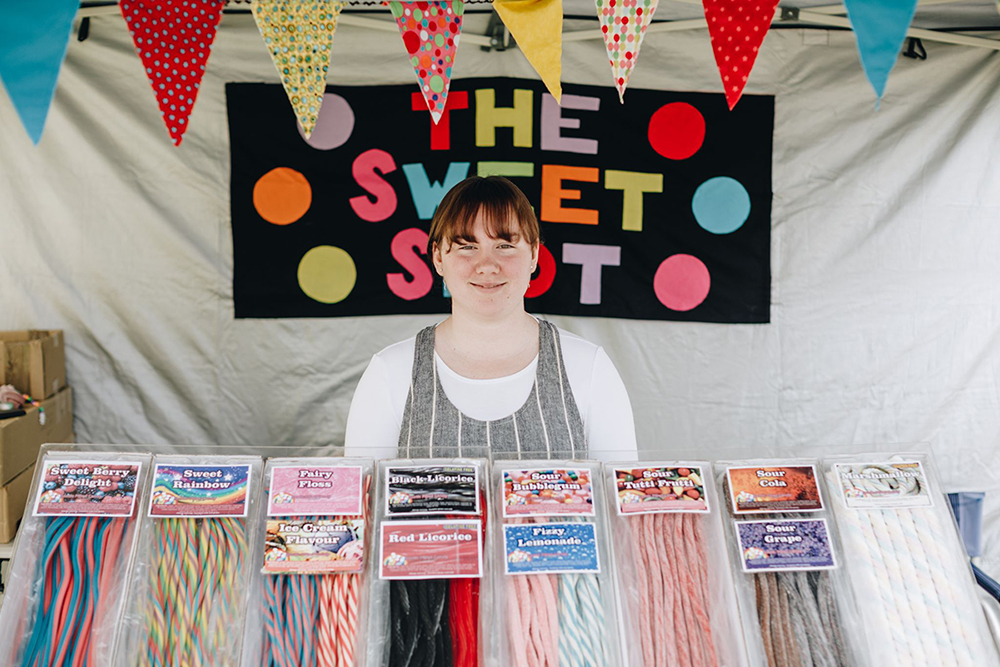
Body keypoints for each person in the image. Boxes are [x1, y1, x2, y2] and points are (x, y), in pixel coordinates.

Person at [343, 176, 637, 460]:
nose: (486, 265)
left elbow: (624, 499)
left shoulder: (588, 366)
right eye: (467, 246)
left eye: (505, 246)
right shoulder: (391, 371)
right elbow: (360, 501)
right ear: (437, 257)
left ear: (534, 254)